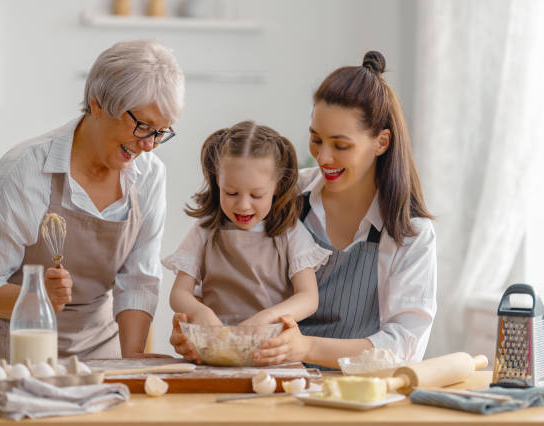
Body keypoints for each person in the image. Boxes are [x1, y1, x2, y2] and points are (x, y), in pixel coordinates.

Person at [171, 51, 436, 369]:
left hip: (353, 393)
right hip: (271, 380)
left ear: (381, 142)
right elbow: (221, 279)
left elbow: (404, 346)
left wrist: (305, 348)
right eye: (315, 139)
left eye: (340, 145)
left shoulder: (410, 233)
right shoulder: (281, 197)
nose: (323, 157)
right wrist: (196, 334)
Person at [0, 40, 185, 361]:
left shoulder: (150, 174)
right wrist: (34, 298)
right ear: (97, 104)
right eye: (143, 126)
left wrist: (133, 359)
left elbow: (138, 279)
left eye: (161, 132)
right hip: (15, 354)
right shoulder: (25, 170)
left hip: (100, 352)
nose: (149, 145)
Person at [163, 121, 330, 328]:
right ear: (217, 181)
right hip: (216, 348)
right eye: (231, 193)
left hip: (273, 352)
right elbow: (179, 294)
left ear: (277, 185)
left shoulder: (291, 233)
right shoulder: (204, 230)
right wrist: (201, 313)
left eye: (256, 195)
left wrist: (264, 319)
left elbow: (308, 298)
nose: (243, 205)